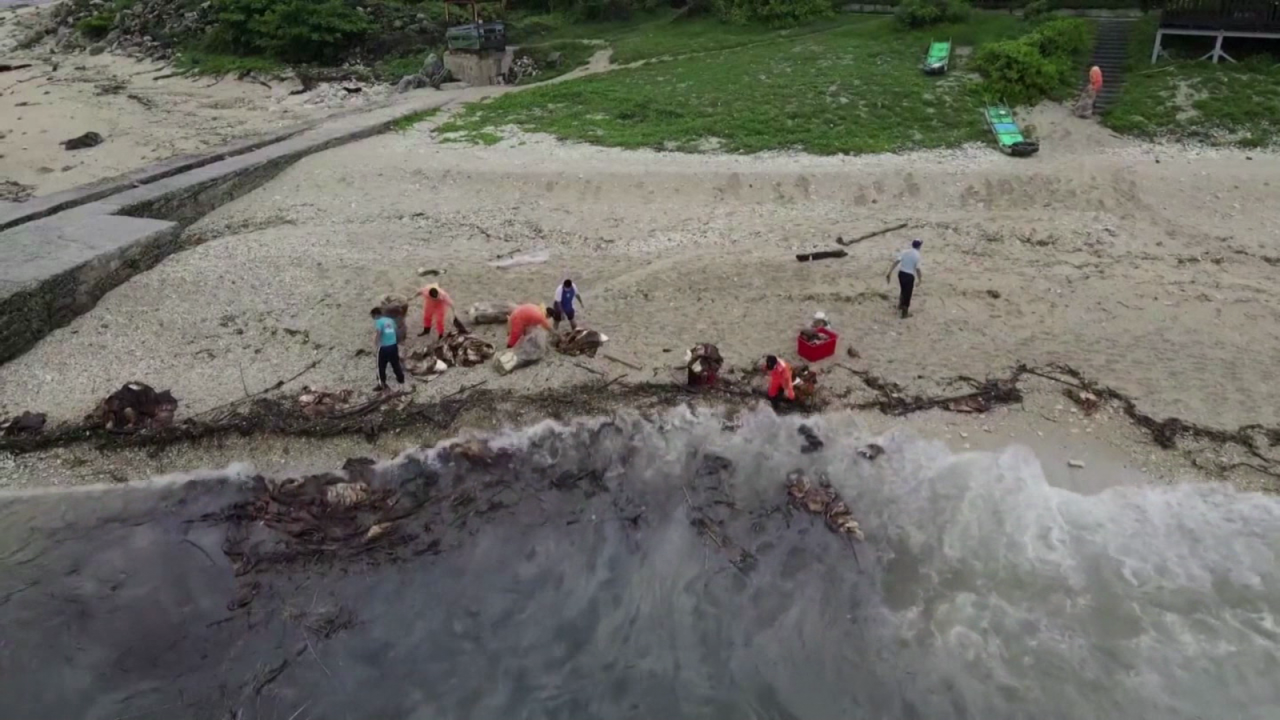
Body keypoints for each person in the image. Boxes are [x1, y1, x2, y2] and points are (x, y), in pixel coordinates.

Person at [886, 239, 924, 319]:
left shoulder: (905, 252)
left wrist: (890, 272)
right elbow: (917, 269)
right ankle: (904, 312)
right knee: (908, 294)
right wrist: (920, 279)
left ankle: (900, 305)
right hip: (909, 275)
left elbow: (897, 261)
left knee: (903, 290)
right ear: (919, 246)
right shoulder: (917, 255)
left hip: (901, 274)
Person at [371, 307, 406, 392]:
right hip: (393, 346)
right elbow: (395, 329)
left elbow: (378, 333)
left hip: (384, 347)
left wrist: (376, 343)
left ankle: (381, 383)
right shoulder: (390, 320)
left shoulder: (378, 322)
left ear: (375, 315)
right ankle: (400, 378)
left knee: (381, 366)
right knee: (395, 363)